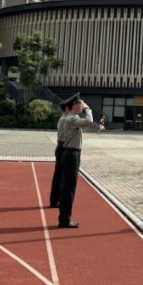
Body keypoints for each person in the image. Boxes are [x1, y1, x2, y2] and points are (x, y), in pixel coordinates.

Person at [57, 93, 93, 228]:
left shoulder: (72, 118)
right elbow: (89, 121)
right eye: (79, 104)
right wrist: (87, 109)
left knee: (68, 187)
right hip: (71, 154)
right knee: (69, 188)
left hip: (71, 153)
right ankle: (64, 220)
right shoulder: (71, 119)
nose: (81, 105)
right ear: (74, 106)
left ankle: (64, 218)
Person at [48, 97, 72, 208]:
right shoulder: (65, 119)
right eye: (71, 106)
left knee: (58, 175)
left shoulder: (65, 118)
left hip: (61, 147)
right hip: (63, 148)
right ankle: (55, 200)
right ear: (67, 108)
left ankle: (54, 200)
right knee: (60, 177)